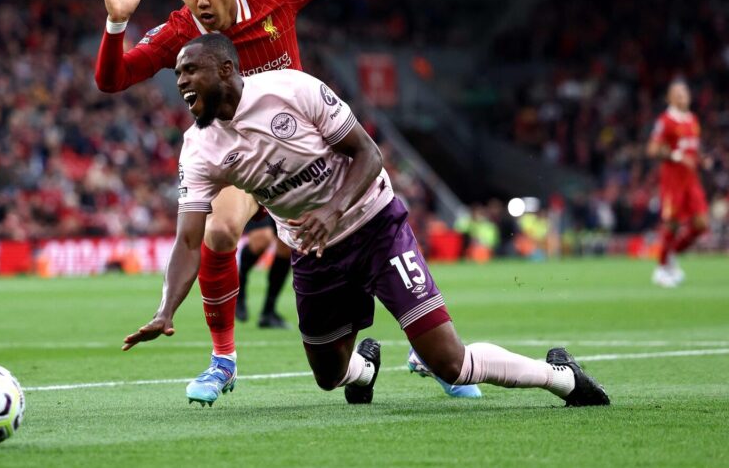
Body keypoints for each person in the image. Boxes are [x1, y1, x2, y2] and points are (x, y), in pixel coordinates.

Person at [122, 35, 610, 409]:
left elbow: (368, 153)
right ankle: (365, 368)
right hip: (314, 253)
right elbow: (190, 241)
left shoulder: (293, 89)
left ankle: (558, 375)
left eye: (189, 71)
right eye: (178, 74)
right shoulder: (199, 148)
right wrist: (167, 309)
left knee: (450, 362)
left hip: (376, 227)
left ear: (226, 69)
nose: (181, 82)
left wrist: (332, 212)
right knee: (329, 376)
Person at [95, 0, 366, 405]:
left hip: (308, 147)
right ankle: (223, 360)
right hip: (242, 161)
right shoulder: (177, 31)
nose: (200, 1)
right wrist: (117, 23)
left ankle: (423, 348)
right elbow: (113, 79)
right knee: (219, 233)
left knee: (364, 237)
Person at [646, 80, 710, 287]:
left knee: (702, 224)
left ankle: (671, 254)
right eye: (679, 94)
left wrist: (702, 159)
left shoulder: (692, 119)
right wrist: (675, 156)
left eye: (686, 93)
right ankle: (661, 269)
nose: (684, 97)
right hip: (672, 180)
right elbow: (653, 149)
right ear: (670, 98)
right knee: (672, 224)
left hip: (691, 180)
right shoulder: (665, 120)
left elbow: (692, 149)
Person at [236, 212, 292, 329]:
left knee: (286, 246)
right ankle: (238, 290)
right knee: (262, 239)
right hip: (259, 196)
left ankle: (268, 312)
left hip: (284, 197)